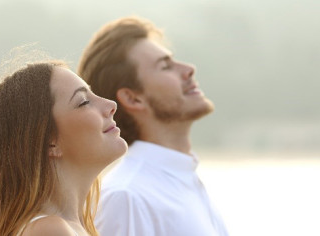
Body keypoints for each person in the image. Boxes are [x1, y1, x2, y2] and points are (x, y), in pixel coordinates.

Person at [77, 16, 228, 236]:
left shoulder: (184, 180)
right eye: (165, 66)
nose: (188, 69)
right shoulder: (127, 197)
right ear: (133, 99)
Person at [0, 58, 127, 236]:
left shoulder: (69, 227)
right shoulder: (49, 230)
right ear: (49, 141)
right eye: (83, 102)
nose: (111, 105)